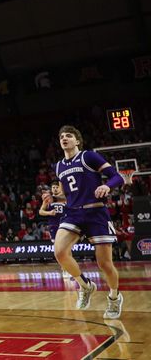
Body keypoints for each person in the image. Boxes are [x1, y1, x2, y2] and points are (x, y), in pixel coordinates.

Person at [53, 125, 125, 319]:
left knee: (105, 264)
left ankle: (114, 297)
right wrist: (59, 193)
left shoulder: (89, 157)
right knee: (59, 252)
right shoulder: (58, 166)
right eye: (61, 136)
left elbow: (117, 177)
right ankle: (85, 285)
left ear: (77, 141)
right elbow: (65, 190)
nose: (64, 138)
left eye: (69, 135)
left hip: (95, 213)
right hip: (73, 213)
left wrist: (107, 186)